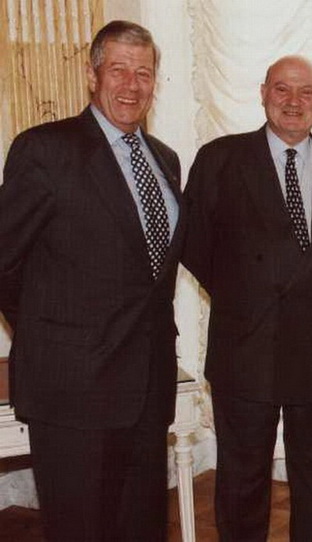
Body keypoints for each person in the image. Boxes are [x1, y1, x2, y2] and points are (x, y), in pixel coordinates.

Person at [0, 20, 183, 541]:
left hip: (146, 391)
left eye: (143, 73)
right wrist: (53, 332)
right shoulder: (45, 150)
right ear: (91, 74)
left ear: (155, 82)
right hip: (71, 389)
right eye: (118, 69)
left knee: (141, 528)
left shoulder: (164, 160)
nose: (131, 85)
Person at [183, 55, 312, 541]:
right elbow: (194, 243)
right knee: (242, 481)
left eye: (306, 92)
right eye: (282, 89)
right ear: (262, 91)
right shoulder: (219, 159)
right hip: (245, 346)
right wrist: (248, 291)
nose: (293, 102)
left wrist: (302, 291)